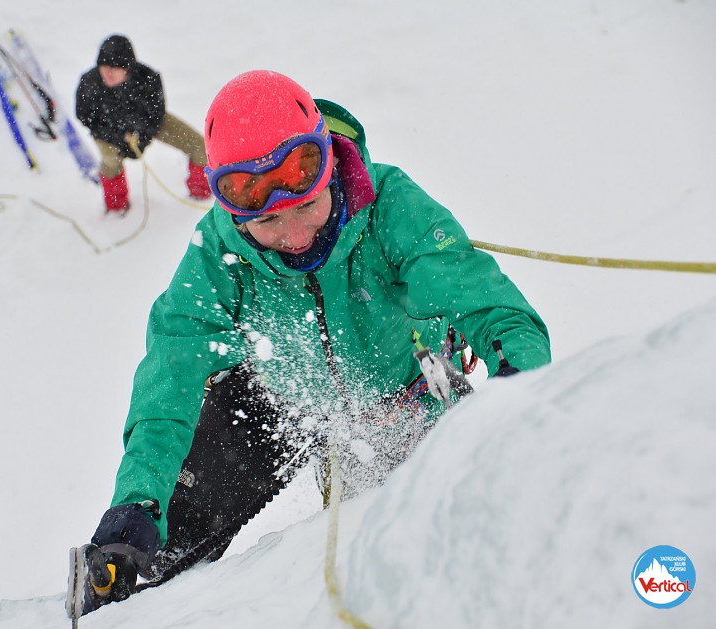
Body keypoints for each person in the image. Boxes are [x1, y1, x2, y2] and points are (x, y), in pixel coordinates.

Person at [76, 70, 551, 614]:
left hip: (408, 398)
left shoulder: (390, 207)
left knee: (408, 548)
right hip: (285, 396)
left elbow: (489, 306)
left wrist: (518, 383)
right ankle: (126, 588)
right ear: (236, 212)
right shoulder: (217, 253)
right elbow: (172, 374)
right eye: (271, 220)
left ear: (329, 169)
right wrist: (136, 499)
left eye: (306, 206)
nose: (297, 236)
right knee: (159, 533)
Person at [75, 34, 211, 213]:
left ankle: (201, 193)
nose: (108, 73)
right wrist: (118, 139)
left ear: (127, 69)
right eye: (104, 66)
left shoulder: (148, 78)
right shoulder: (89, 82)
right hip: (108, 132)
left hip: (145, 125)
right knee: (110, 163)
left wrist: (142, 139)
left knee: (199, 145)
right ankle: (116, 207)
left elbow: (156, 114)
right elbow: (85, 117)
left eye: (115, 68)